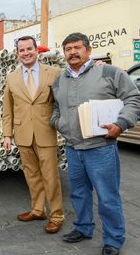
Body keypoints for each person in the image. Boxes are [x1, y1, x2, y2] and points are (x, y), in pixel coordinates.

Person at [51, 32, 140, 255]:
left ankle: (114, 239)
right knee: (79, 194)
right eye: (68, 49)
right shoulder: (60, 80)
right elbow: (56, 107)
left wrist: (121, 123)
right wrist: (56, 122)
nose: (73, 52)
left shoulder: (108, 72)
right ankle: (83, 228)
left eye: (77, 47)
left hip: (101, 149)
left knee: (107, 197)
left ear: (88, 50)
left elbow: (133, 98)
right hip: (73, 148)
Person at [2, 35, 64, 234]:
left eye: (29, 49)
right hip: (22, 133)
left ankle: (57, 215)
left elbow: (64, 97)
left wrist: (93, 65)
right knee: (31, 174)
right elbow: (7, 109)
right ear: (17, 53)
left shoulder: (53, 73)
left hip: (46, 132)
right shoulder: (12, 77)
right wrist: (7, 135)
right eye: (22, 50)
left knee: (51, 176)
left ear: (37, 50)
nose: (26, 53)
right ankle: (38, 210)